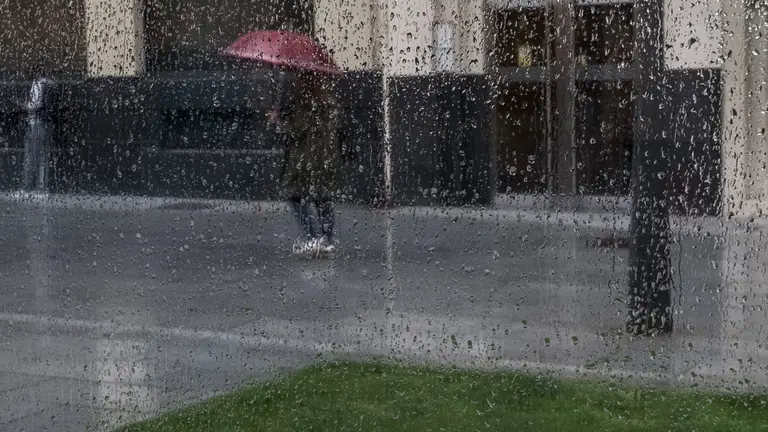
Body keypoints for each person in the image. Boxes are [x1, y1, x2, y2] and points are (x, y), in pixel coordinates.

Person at [273, 70, 341, 256]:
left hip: (304, 160)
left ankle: (314, 238)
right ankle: (327, 240)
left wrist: (279, 122)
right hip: (326, 158)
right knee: (323, 198)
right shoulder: (329, 102)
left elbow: (296, 131)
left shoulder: (304, 104)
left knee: (295, 196)